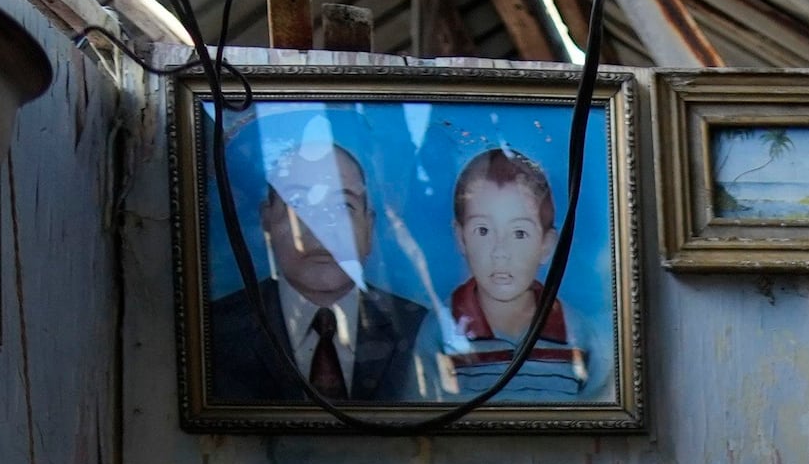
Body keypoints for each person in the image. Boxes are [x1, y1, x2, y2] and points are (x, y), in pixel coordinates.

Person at [201, 134, 430, 405]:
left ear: (368, 227)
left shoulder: (418, 328)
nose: (321, 228)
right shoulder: (213, 332)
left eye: (343, 206)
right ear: (267, 222)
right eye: (298, 204)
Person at [422, 147, 592, 403]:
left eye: (519, 233)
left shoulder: (577, 332)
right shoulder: (439, 332)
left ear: (546, 245)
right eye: (483, 231)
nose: (500, 252)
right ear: (460, 238)